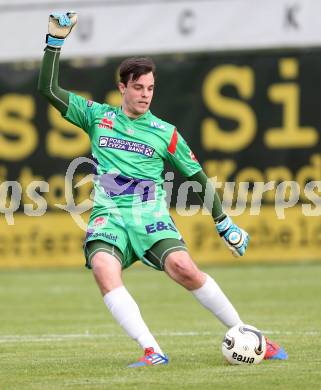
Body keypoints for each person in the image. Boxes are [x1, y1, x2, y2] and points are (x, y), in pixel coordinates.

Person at [38, 12, 287, 367]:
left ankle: (251, 335)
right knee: (103, 269)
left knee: (184, 267)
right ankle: (152, 350)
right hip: (109, 214)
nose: (145, 95)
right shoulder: (96, 116)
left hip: (150, 215)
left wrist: (224, 223)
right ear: (122, 87)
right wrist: (55, 43)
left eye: (150, 88)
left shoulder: (165, 132)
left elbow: (198, 178)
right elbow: (47, 89)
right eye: (138, 87)